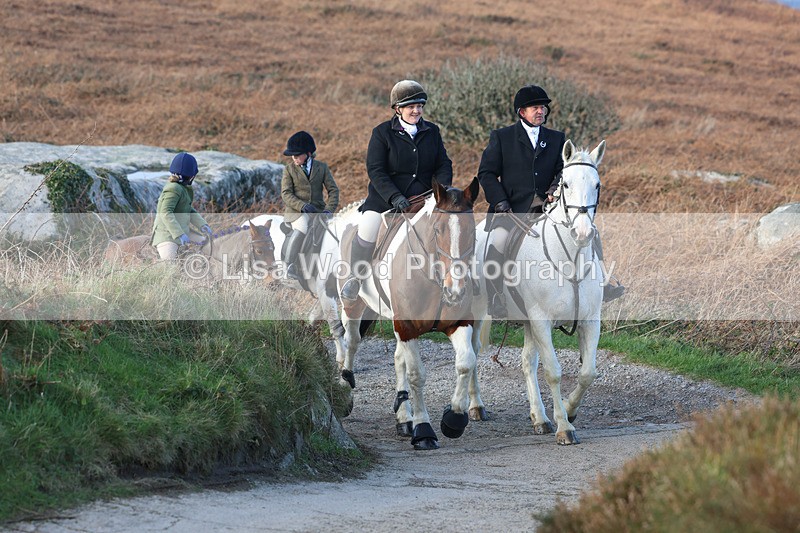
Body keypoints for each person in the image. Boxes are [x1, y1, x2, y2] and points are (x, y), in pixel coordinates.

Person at [477, 85, 624, 318]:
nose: (541, 111)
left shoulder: (556, 139)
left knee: (591, 234)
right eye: (535, 107)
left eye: (543, 107)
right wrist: (501, 202)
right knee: (498, 243)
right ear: (521, 111)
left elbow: (562, 171)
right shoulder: (502, 137)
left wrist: (554, 188)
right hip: (511, 210)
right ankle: (496, 297)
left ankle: (604, 284)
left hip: (548, 208)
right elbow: (486, 173)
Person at [340, 80, 453, 302]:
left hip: (426, 198)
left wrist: (442, 191)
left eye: (420, 105)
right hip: (387, 200)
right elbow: (376, 170)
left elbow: (443, 164)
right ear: (397, 109)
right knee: (368, 229)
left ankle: (450, 282)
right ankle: (355, 278)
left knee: (449, 230)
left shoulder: (432, 131)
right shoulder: (382, 133)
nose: (416, 110)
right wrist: (394, 196)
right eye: (411, 106)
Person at [280, 130, 340, 280]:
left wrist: (328, 210)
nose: (294, 158)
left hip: (318, 210)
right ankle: (289, 265)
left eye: (297, 154)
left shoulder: (322, 167)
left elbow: (333, 191)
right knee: (302, 227)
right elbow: (286, 193)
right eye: (292, 155)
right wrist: (301, 206)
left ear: (308, 153)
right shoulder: (289, 169)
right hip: (297, 212)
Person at [151, 152, 212, 260]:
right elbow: (165, 212)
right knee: (171, 268)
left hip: (183, 230)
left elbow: (188, 210)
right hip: (167, 235)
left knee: (208, 244)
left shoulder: (184, 188)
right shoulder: (173, 188)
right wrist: (179, 234)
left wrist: (202, 225)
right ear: (192, 175)